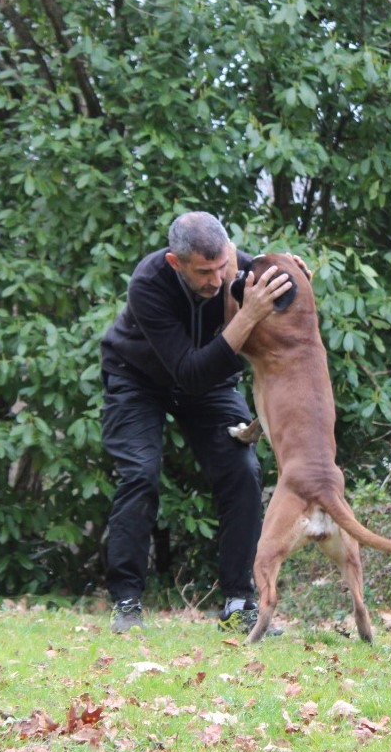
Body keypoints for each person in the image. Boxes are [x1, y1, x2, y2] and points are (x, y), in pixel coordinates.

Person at [100, 211, 301, 634]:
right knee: (139, 474)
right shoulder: (149, 283)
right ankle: (127, 603)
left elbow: (288, 299)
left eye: (222, 266)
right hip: (138, 378)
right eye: (203, 272)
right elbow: (188, 372)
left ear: (229, 250)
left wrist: (292, 271)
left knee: (243, 469)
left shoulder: (238, 267)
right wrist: (246, 316)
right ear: (177, 263)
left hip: (210, 382)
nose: (217, 280)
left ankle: (239, 602)